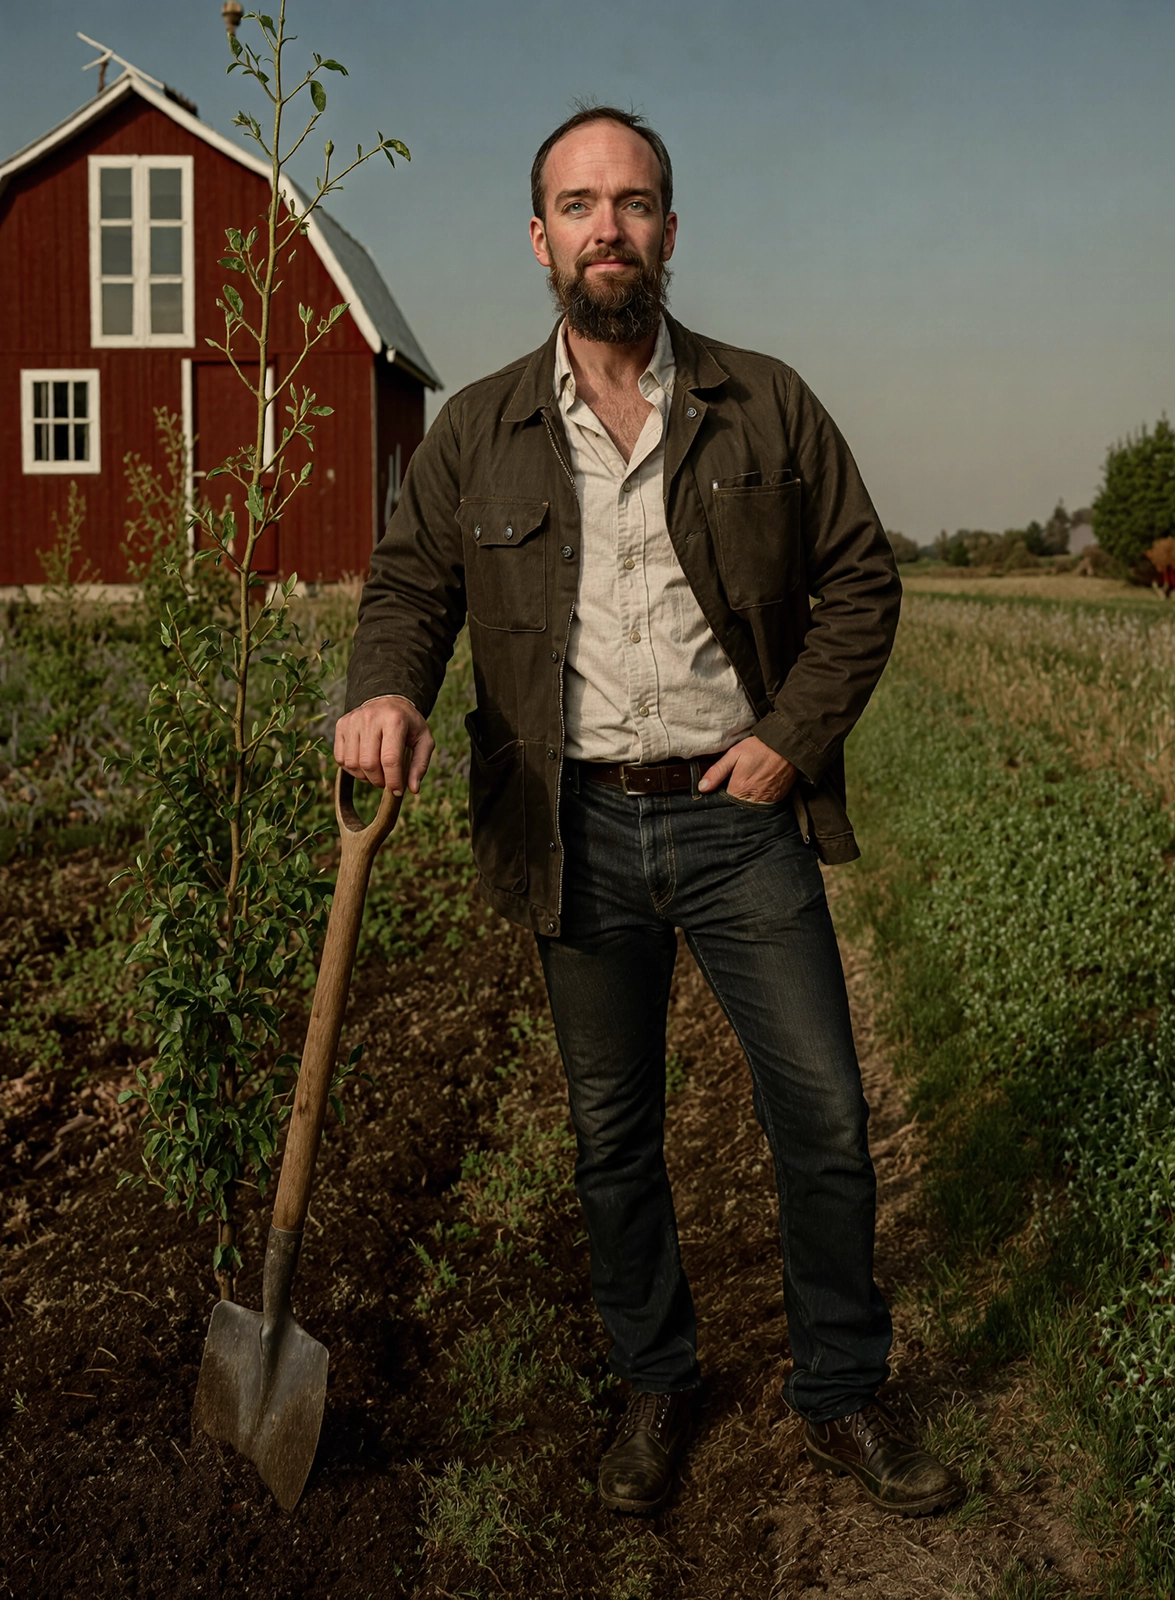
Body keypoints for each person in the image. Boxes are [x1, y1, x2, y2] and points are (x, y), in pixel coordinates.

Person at [336, 106, 961, 1520]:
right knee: (612, 1132)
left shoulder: (767, 402)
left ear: (669, 233)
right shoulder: (476, 428)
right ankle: (656, 1381)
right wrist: (383, 694)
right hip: (576, 829)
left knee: (825, 1117)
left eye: (632, 203)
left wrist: (791, 742)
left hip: (738, 819)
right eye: (577, 203)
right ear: (539, 237)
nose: (605, 227)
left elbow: (863, 583)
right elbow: (408, 594)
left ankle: (844, 1389)